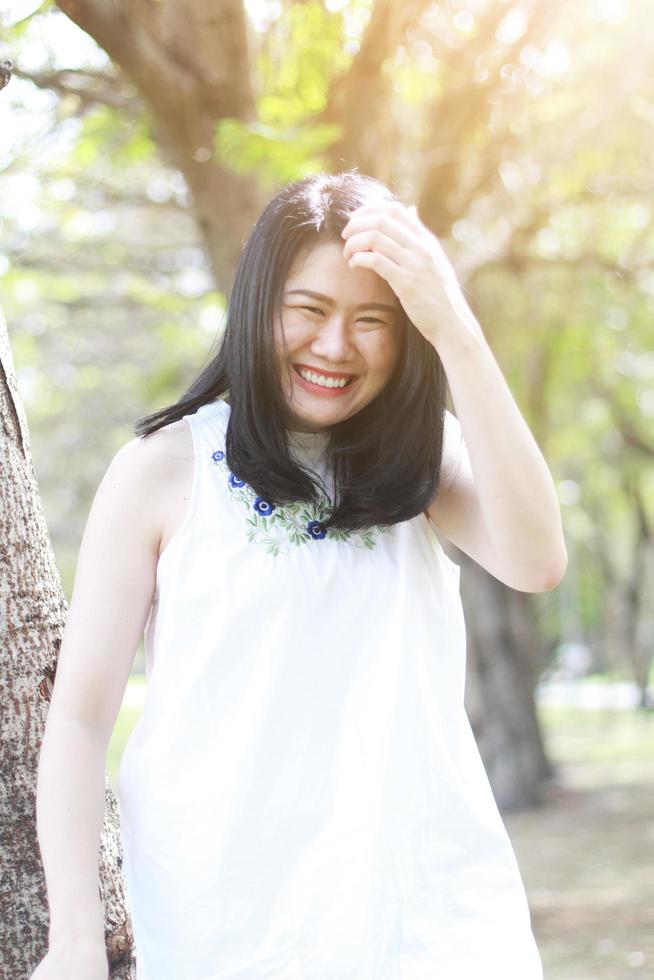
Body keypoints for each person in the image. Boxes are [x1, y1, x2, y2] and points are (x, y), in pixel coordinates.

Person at [32, 171, 566, 980]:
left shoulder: (426, 463)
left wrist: (455, 327)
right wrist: (72, 942)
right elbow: (77, 720)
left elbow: (536, 560)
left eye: (373, 320)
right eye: (309, 310)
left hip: (421, 921)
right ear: (258, 306)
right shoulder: (165, 468)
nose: (335, 346)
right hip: (220, 925)